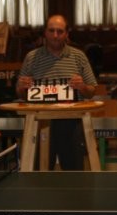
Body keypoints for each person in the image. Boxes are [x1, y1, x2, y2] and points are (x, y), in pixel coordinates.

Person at [14, 15, 98, 170]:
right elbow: (20, 94)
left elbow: (92, 91)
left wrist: (83, 87)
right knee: (39, 175)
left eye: (60, 31)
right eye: (51, 30)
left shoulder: (78, 56)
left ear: (67, 33)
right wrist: (21, 87)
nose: (55, 35)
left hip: (71, 122)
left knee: (74, 173)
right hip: (40, 123)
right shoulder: (31, 57)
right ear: (45, 32)